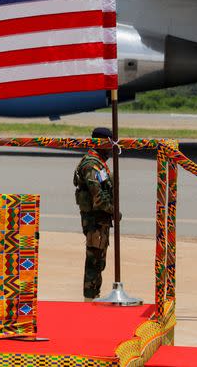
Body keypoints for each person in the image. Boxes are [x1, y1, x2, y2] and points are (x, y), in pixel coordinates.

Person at [73, 127, 115, 301]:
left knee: (99, 261)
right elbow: (97, 196)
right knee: (94, 261)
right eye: (110, 143)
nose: (112, 147)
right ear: (102, 142)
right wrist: (114, 211)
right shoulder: (91, 165)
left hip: (101, 219)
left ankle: (94, 296)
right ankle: (89, 299)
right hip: (95, 219)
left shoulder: (98, 163)